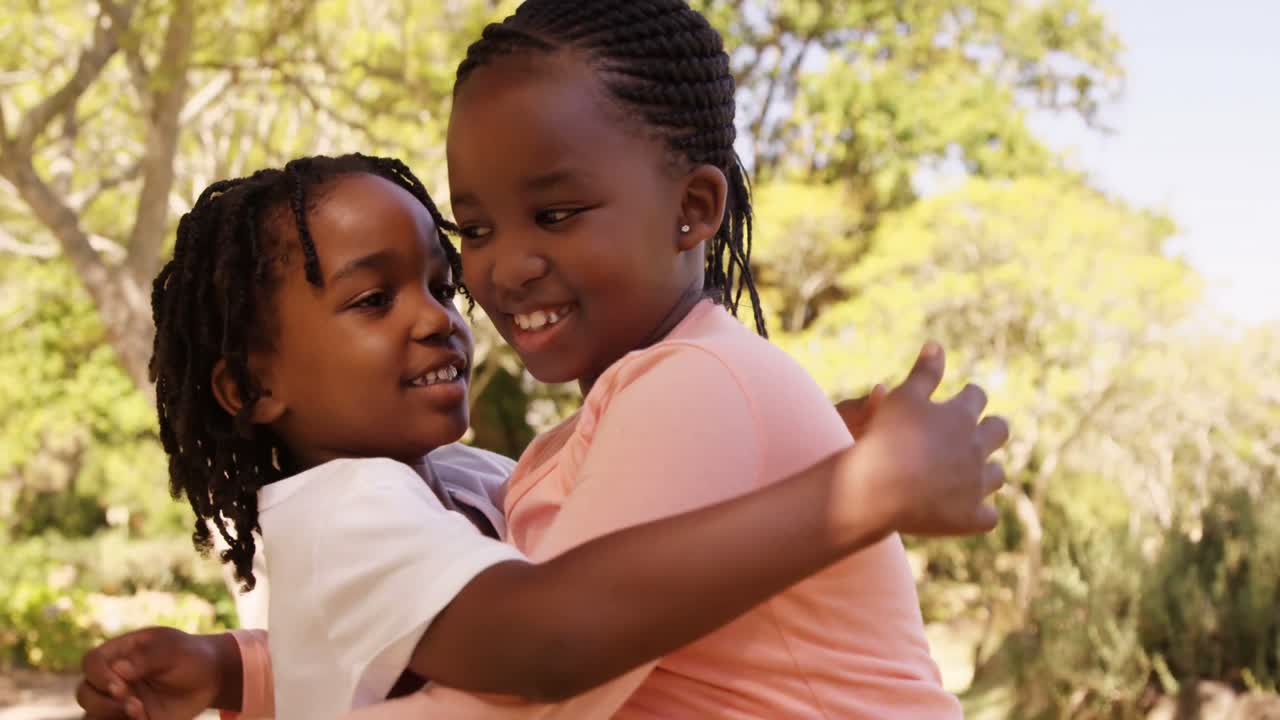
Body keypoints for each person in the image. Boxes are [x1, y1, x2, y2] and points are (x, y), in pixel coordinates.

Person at [76, 152, 1006, 720]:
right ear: (254, 386)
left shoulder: (461, 476)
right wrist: (860, 493)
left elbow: (394, 648)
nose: (438, 317)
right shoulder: (336, 509)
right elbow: (541, 642)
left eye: (441, 283)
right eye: (373, 299)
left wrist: (226, 666)